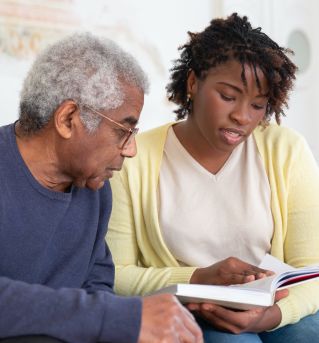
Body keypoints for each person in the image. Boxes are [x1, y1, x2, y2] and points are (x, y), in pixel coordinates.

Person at [107, 13, 319, 343]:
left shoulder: (287, 151)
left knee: (306, 333)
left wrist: (271, 317)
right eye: (229, 96)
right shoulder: (134, 158)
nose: (242, 116)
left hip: (274, 308)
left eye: (258, 105)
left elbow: (313, 269)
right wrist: (197, 278)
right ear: (193, 83)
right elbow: (116, 275)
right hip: (190, 309)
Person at [0, 32, 205, 343]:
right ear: (68, 118)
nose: (131, 149)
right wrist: (120, 318)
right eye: (124, 130)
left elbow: (97, 288)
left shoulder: (94, 188)